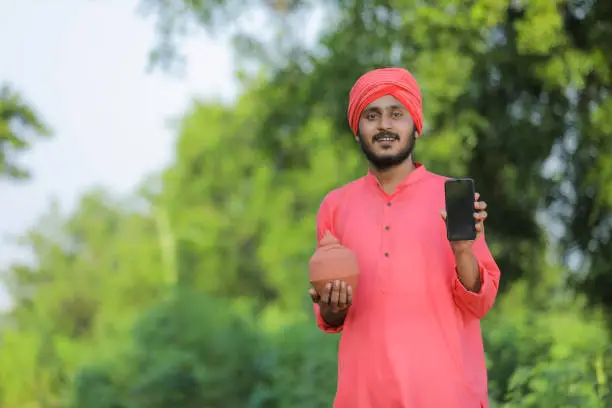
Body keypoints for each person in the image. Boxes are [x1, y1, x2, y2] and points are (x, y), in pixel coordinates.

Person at [308, 67, 501, 408]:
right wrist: (332, 307)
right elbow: (330, 319)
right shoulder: (335, 207)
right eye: (372, 115)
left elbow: (479, 303)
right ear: (357, 129)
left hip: (446, 395)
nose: (384, 125)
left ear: (415, 125)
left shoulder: (451, 197)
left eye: (396, 114)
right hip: (363, 397)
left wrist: (463, 252)